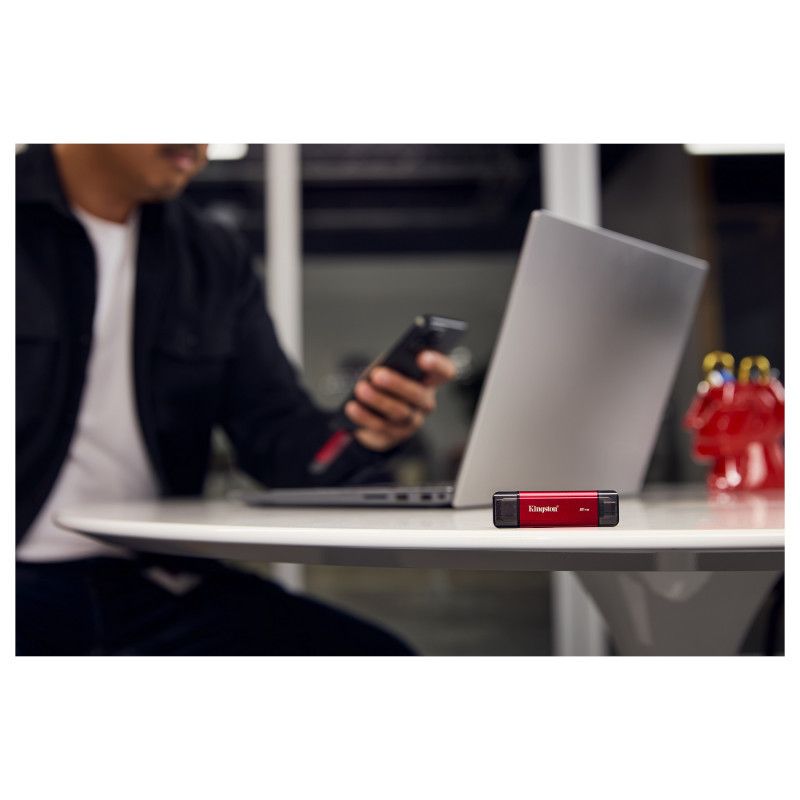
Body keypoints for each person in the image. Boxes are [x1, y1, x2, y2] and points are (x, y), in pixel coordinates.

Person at [16, 144, 457, 655]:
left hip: (154, 581)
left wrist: (367, 430)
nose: (199, 143)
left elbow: (278, 438)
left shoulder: (211, 255)